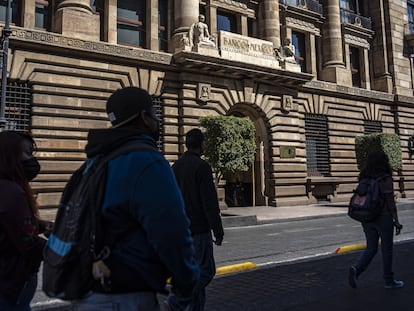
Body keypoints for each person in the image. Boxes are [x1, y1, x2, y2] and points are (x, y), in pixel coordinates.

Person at [70, 86, 199, 311]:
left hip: (89, 291)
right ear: (144, 117)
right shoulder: (147, 161)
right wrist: (186, 283)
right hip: (127, 294)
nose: (157, 120)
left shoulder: (92, 164)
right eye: (155, 114)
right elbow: (171, 232)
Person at [170, 128, 224, 311]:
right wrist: (217, 229)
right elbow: (209, 202)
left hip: (181, 231)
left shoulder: (175, 167)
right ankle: (178, 299)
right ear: (201, 144)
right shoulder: (202, 167)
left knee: (192, 272)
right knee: (206, 272)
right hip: (199, 230)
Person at [0, 131, 52, 310]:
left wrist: (40, 225)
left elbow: (9, 224)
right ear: (10, 156)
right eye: (28, 153)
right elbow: (28, 243)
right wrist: (65, 250)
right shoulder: (12, 192)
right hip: (10, 283)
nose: (32, 160)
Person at [348, 150, 404, 289]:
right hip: (383, 217)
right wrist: (396, 221)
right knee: (387, 249)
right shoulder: (385, 178)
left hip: (367, 217)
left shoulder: (364, 177)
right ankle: (389, 280)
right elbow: (390, 202)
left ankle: (357, 268)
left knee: (371, 247)